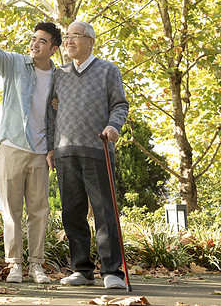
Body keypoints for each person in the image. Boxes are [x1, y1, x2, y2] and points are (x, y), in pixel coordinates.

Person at [0, 20, 62, 284]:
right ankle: (15, 264)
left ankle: (37, 265)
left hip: (42, 152)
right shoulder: (17, 63)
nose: (35, 44)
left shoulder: (59, 76)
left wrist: (53, 144)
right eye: (33, 38)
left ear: (53, 49)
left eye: (42, 41)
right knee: (12, 210)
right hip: (12, 146)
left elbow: (59, 114)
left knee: (39, 210)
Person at [46, 21, 129, 290]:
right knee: (72, 213)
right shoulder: (60, 75)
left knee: (105, 212)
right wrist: (50, 147)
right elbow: (51, 113)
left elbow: (120, 104)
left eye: (75, 37)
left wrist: (113, 127)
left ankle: (112, 271)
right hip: (65, 152)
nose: (69, 41)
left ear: (90, 41)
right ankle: (81, 269)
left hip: (98, 149)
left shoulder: (108, 70)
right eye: (67, 37)